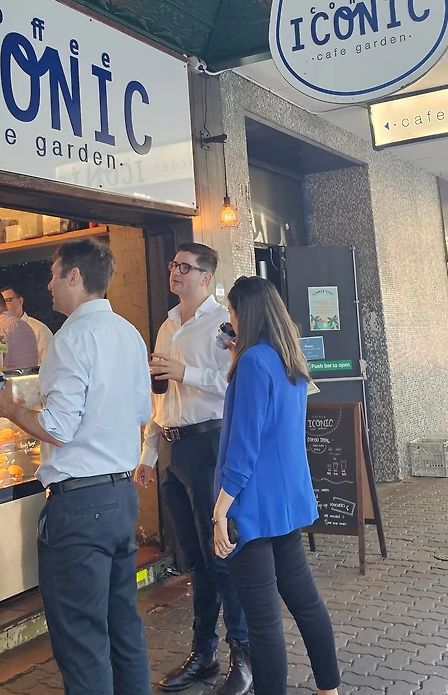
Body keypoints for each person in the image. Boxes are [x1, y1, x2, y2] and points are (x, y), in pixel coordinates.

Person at [0, 238, 152, 695]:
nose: (49, 285)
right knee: (123, 627)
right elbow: (140, 412)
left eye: (54, 275)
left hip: (79, 507)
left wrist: (6, 407)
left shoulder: (70, 338)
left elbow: (57, 428)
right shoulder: (129, 333)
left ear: (75, 276)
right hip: (121, 495)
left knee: (81, 638)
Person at [212, 276, 339, 695]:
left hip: (251, 506)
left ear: (244, 314)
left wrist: (221, 508)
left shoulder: (253, 363)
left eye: (232, 312)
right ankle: (329, 688)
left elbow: (244, 445)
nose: (230, 320)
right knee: (306, 603)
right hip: (287, 502)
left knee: (263, 623)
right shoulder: (288, 359)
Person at [135, 244, 251, 694]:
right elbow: (159, 393)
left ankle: (243, 656)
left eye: (185, 267)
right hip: (173, 449)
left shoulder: (223, 323)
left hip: (209, 444)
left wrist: (187, 372)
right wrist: (148, 452)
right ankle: (204, 655)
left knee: (222, 556)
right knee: (195, 561)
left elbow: (233, 382)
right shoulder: (167, 324)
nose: (175, 271)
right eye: (173, 265)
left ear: (206, 276)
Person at [0, 283, 54, 363]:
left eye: (8, 301)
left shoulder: (38, 328)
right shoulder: (1, 331)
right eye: (2, 303)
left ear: (20, 301)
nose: (4, 306)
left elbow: (50, 362)